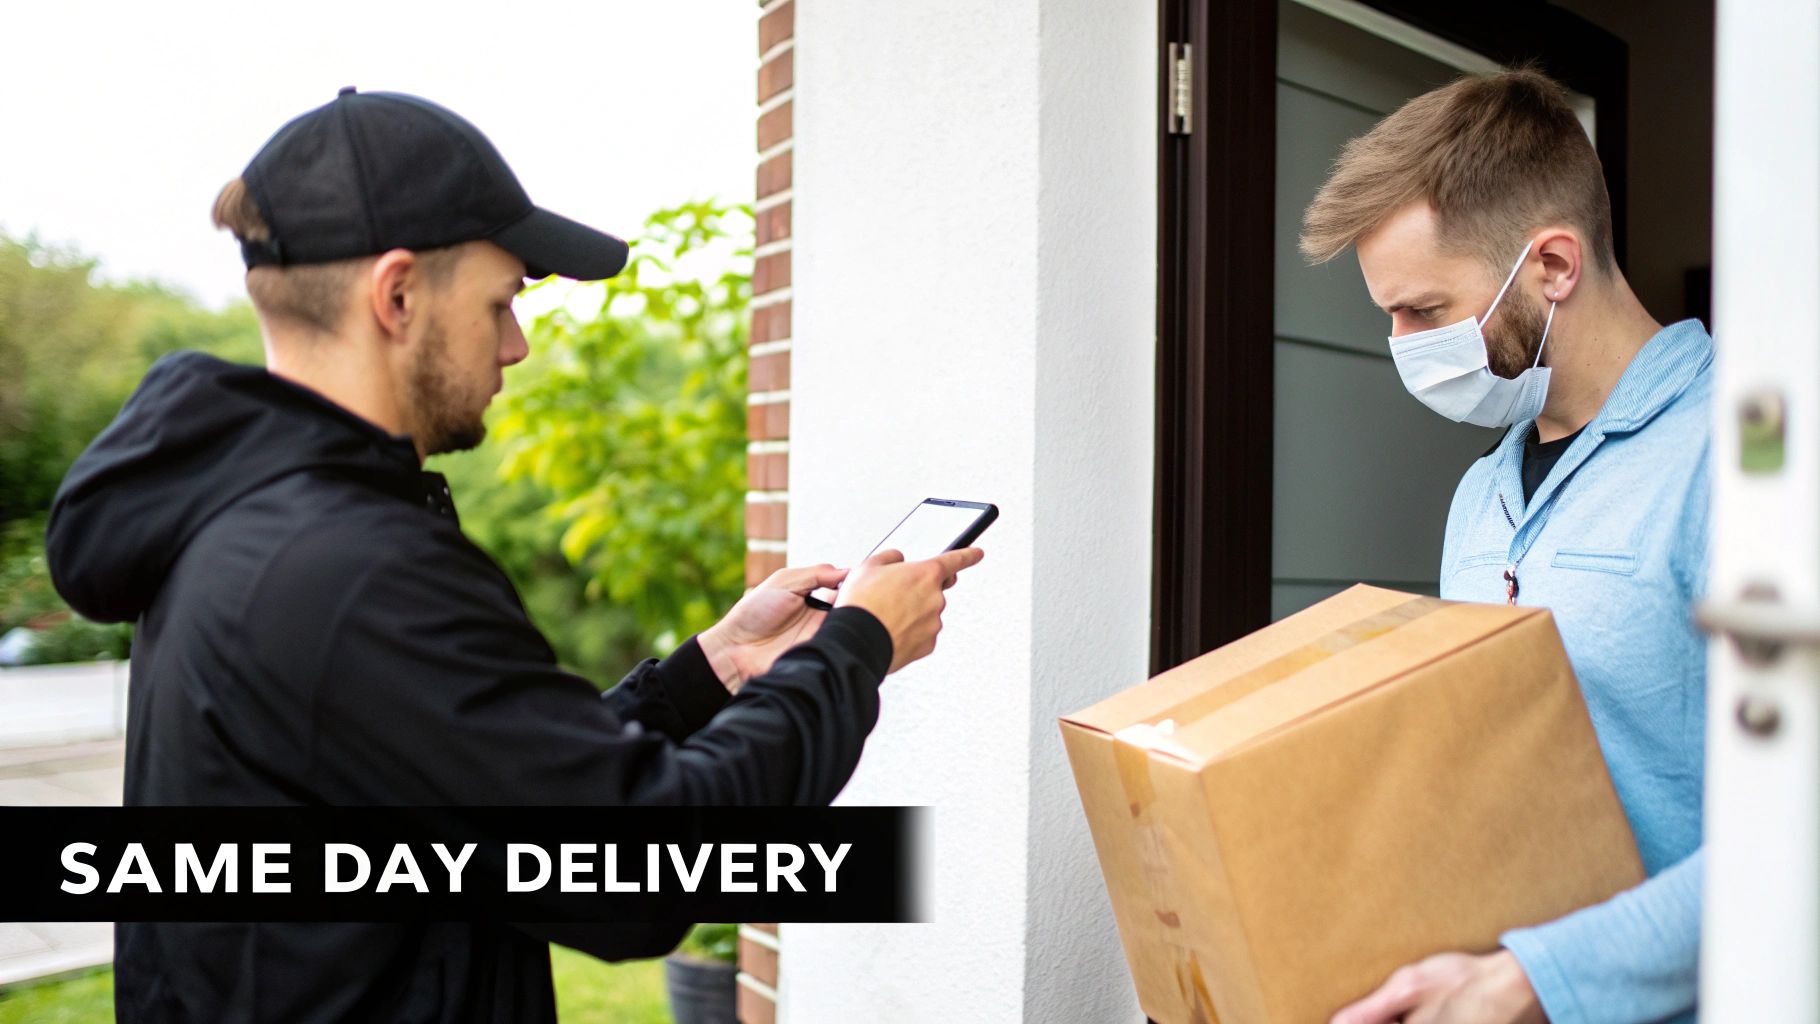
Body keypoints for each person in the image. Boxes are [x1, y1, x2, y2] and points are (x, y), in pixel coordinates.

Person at [44, 88, 982, 1023]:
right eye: (499, 303)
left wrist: (716, 667)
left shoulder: (254, 521)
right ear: (398, 294)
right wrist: (853, 648)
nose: (518, 343)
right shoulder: (349, 568)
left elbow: (492, 790)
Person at [1299, 69, 1709, 1024]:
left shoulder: (1750, 463)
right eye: (1387, 313)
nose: (1399, 344)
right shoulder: (1481, 497)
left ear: (1553, 266)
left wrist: (1535, 981)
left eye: (1425, 312)